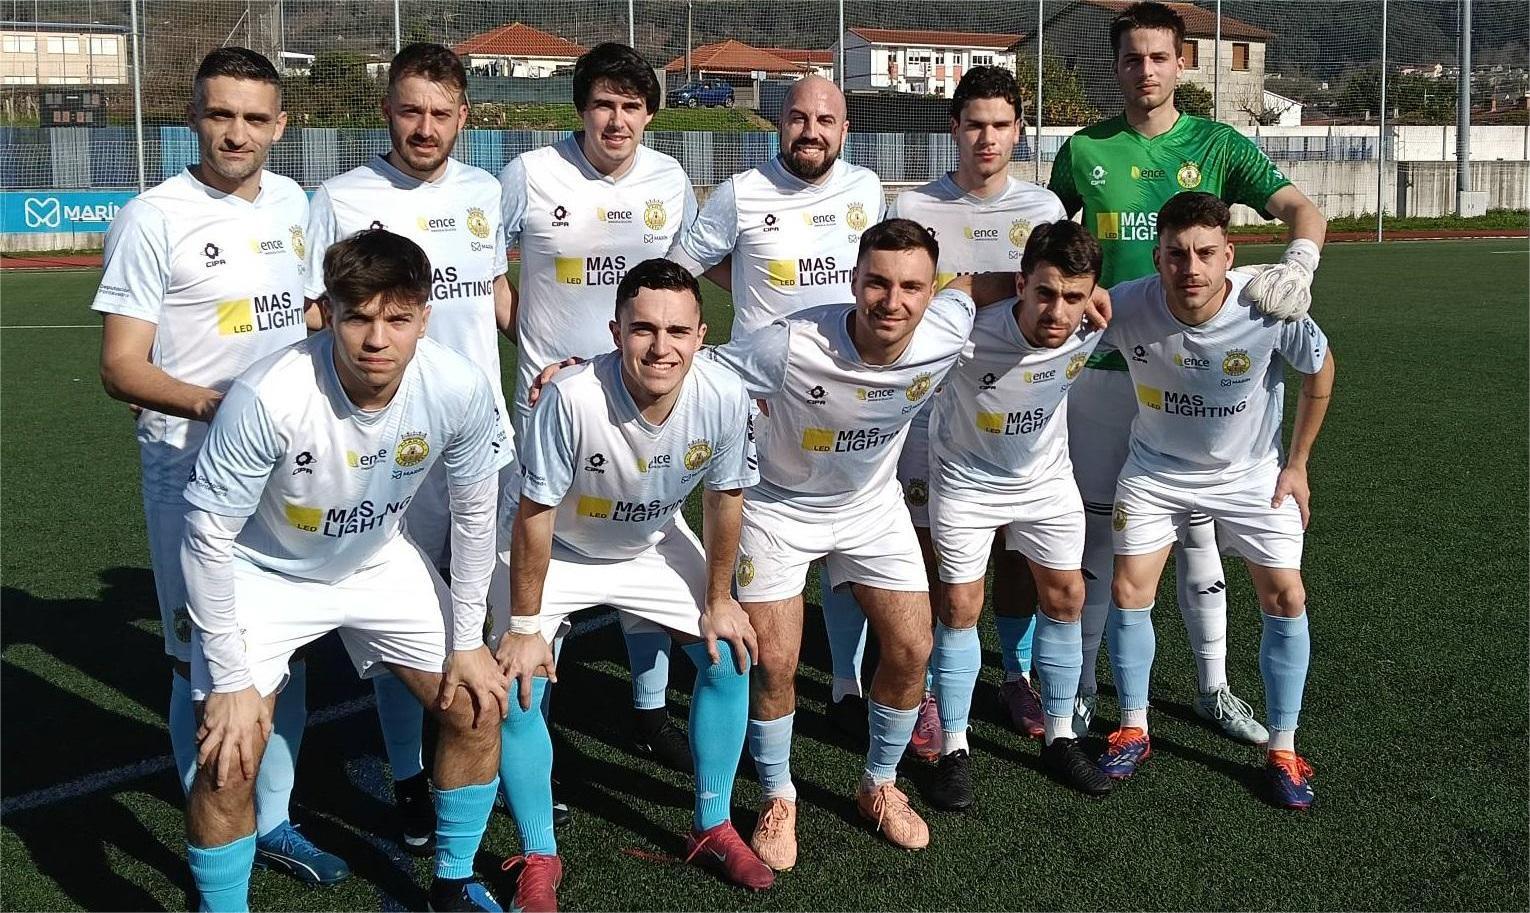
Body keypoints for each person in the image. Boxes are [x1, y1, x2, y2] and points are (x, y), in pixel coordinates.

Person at [180, 229, 512, 911]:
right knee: (228, 756)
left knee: (477, 703)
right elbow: (207, 535)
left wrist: (469, 638)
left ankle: (453, 882)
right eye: (358, 317)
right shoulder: (269, 394)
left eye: (397, 318)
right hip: (263, 573)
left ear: (425, 316)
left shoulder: (457, 385)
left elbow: (477, 514)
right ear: (328, 312)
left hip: (377, 560)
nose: (376, 340)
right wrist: (231, 680)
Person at [92, 46, 347, 886]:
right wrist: (215, 405)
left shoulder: (292, 202)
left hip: (285, 471)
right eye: (220, 114)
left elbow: (304, 312)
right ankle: (218, 837)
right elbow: (120, 366)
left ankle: (273, 820)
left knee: (288, 650)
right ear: (193, 117)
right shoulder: (153, 217)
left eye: (253, 118)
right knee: (196, 662)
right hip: (191, 472)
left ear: (280, 125)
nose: (236, 133)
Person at [1048, 0, 1327, 743]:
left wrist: (1301, 262)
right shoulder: (1083, 149)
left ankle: (1213, 688)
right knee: (1102, 539)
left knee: (1200, 538)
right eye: (1131, 58)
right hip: (1106, 370)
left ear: (1181, 62)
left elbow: (1303, 209)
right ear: (1116, 66)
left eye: (1159, 56)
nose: (1145, 70)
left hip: (1194, 375)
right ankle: (1085, 688)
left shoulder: (1218, 143)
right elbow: (1048, 238)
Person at [705, 219, 1013, 868]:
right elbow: (699, 372)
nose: (892, 301)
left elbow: (976, 286)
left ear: (929, 291)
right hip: (779, 507)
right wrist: (588, 372)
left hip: (870, 506)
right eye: (877, 282)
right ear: (853, 280)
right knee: (774, 661)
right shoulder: (790, 343)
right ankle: (778, 795)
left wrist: (1052, 284)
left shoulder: (944, 328)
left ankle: (879, 783)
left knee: (912, 646)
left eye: (911, 287)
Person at [491, 259, 773, 912]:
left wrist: (719, 599)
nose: (660, 346)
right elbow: (534, 517)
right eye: (643, 328)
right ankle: (538, 853)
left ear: (701, 335)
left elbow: (725, 498)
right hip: (554, 548)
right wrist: (526, 628)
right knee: (519, 682)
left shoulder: (723, 394)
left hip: (647, 541)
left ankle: (711, 825)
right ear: (616, 332)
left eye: (677, 331)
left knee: (730, 653)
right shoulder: (571, 398)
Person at [303, 41, 514, 853]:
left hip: (480, 437)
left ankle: (498, 760)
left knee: (489, 611)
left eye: (440, 113)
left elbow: (494, 297)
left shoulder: (484, 191)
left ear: (464, 116)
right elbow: (315, 317)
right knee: (407, 622)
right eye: (410, 110)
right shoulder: (340, 198)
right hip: (389, 451)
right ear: (386, 110)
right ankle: (407, 775)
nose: (425, 127)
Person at [1094, 192, 1334, 811]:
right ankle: (1133, 726)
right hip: (1155, 471)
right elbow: (1058, 328)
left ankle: (1284, 748)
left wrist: (1298, 464)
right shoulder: (1125, 305)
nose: (1191, 268)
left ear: (1230, 254)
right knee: (1128, 590)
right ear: (1157, 257)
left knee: (1286, 596)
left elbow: (1320, 369)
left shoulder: (1267, 305)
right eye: (1176, 255)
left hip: (1251, 475)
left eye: (1205, 253)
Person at [498, 42, 699, 774]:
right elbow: (488, 272)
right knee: (540, 567)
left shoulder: (670, 180)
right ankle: (535, 731)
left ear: (649, 114)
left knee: (643, 544)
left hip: (647, 406)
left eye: (632, 106)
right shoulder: (529, 173)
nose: (617, 120)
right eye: (604, 105)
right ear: (581, 108)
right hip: (551, 408)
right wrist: (535, 349)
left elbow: (677, 286)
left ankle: (648, 709)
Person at [668, 74, 886, 733]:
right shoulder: (741, 193)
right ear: (780, 123)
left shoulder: (867, 189)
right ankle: (756, 690)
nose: (810, 131)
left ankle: (846, 684)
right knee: (768, 550)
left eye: (825, 120)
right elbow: (683, 265)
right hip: (765, 409)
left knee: (843, 548)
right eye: (798, 118)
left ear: (844, 130)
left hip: (847, 399)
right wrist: (746, 289)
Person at [886, 64, 1070, 760]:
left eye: (1000, 125)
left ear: (1018, 131)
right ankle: (933, 684)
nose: (986, 139)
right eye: (974, 125)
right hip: (930, 411)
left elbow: (1061, 290)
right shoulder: (915, 206)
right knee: (934, 549)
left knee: (1018, 551)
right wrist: (978, 285)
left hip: (1019, 412)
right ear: (953, 128)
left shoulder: (1043, 207)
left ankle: (1015, 673)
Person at [922, 220, 1115, 808]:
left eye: (1074, 297)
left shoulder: (1092, 324)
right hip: (966, 480)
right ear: (1021, 284)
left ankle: (1060, 737)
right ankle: (954, 746)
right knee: (960, 606)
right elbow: (938, 300)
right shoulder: (967, 332)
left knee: (1066, 596)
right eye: (1045, 293)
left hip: (1045, 481)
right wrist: (977, 283)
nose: (1058, 312)